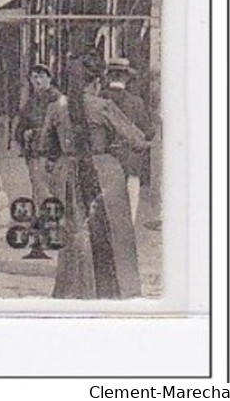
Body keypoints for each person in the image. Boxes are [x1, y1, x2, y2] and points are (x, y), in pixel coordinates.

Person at [42, 54, 150, 299]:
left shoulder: (56, 108)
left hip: (68, 173)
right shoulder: (102, 106)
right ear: (96, 82)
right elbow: (137, 140)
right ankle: (113, 291)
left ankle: (74, 290)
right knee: (113, 232)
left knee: (75, 234)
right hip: (104, 173)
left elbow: (45, 147)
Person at [101, 60, 154, 227]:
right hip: (130, 162)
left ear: (108, 76)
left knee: (104, 207)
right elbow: (148, 132)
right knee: (129, 207)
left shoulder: (98, 99)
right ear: (126, 78)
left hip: (104, 162)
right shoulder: (136, 102)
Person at [15, 63, 64, 204]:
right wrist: (24, 134)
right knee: (38, 189)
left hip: (52, 153)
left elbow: (61, 127)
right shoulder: (30, 102)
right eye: (34, 77)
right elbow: (21, 125)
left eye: (41, 77)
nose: (37, 81)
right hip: (34, 152)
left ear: (49, 78)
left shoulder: (57, 99)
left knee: (50, 190)